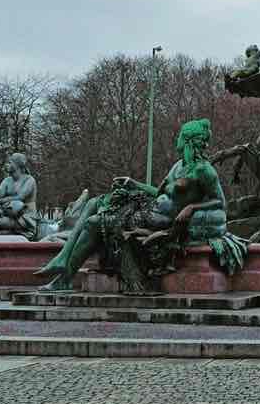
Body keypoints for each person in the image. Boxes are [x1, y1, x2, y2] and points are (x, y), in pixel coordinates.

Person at [35, 119, 244, 292]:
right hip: (150, 209)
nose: (177, 140)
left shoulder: (204, 170)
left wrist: (192, 208)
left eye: (180, 136)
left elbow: (220, 202)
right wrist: (134, 183)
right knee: (95, 204)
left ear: (189, 140)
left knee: (95, 222)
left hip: (161, 221)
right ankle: (63, 264)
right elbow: (159, 193)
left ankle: (64, 275)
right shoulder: (178, 166)